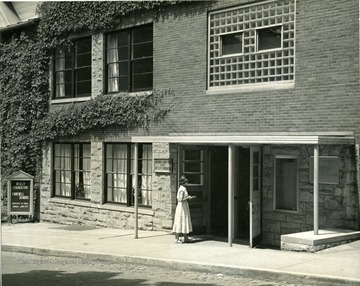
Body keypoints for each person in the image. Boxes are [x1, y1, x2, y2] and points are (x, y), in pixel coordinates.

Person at [172, 175, 196, 243]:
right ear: (184, 183)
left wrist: (189, 197)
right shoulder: (182, 189)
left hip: (184, 206)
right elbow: (180, 199)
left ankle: (185, 237)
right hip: (181, 207)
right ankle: (176, 238)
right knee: (180, 220)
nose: (187, 183)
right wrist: (188, 198)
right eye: (186, 182)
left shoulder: (184, 188)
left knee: (184, 220)